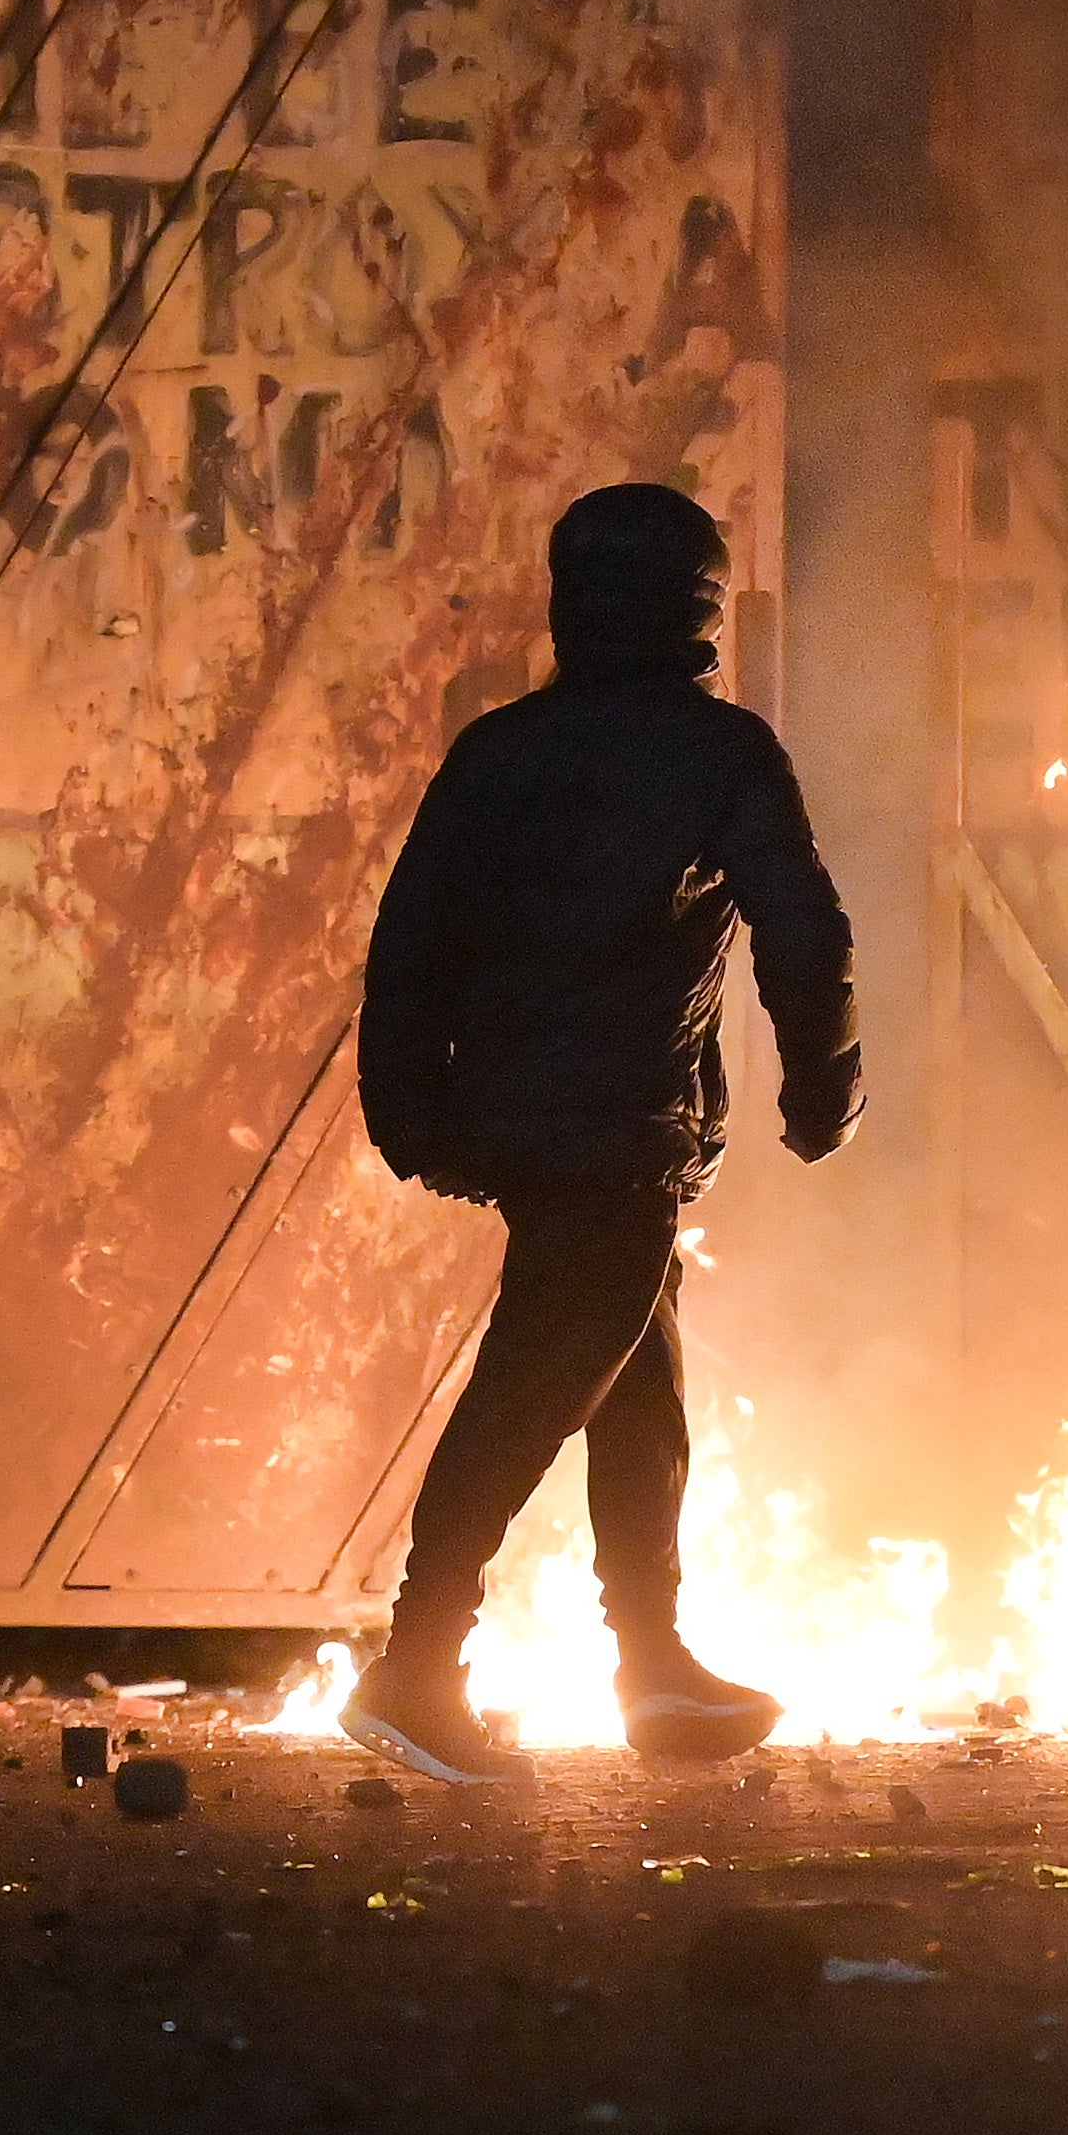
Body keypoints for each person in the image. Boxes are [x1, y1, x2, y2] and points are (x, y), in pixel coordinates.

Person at [342, 482, 860, 1783]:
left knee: (637, 1380)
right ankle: (415, 1667)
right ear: (699, 604)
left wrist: (413, 1114)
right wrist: (821, 1092)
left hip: (514, 1123)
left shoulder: (496, 750)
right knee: (541, 1380)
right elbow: (805, 932)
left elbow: (409, 945)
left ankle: (654, 1668)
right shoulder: (721, 753)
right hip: (621, 1127)